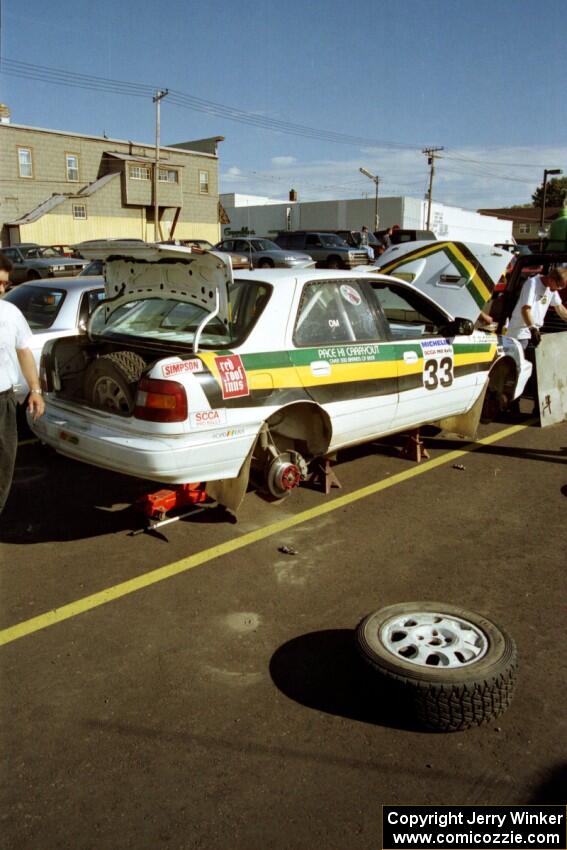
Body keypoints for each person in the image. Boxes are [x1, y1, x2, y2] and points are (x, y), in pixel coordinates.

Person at [0, 253, 45, 515]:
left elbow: (24, 351)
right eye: (0, 282)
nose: (3, 288)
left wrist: (35, 390)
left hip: (3, 402)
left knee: (5, 463)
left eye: (5, 283)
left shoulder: (10, 312)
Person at [507, 267, 567, 349]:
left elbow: (559, 307)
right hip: (520, 332)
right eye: (558, 286)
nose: (559, 289)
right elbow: (525, 310)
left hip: (533, 332)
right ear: (551, 280)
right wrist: (532, 329)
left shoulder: (551, 289)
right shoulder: (532, 283)